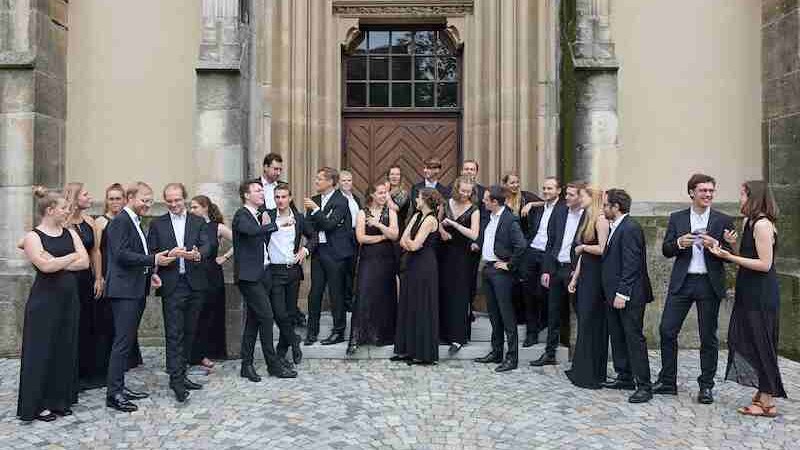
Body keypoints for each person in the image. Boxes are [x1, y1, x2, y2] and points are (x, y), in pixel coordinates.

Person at [653, 174, 735, 404]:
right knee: (667, 330)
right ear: (691, 192)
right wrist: (680, 243)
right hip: (683, 281)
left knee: (708, 337)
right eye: (703, 191)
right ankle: (668, 381)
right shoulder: (677, 218)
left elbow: (730, 256)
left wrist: (716, 245)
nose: (708, 195)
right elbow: (666, 250)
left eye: (711, 191)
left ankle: (706, 386)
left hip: (709, 283)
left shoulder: (723, 220)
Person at [709, 180, 786, 418]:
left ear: (753, 197)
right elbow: (750, 257)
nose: (739, 198)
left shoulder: (762, 224)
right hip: (748, 289)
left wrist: (729, 257)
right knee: (745, 339)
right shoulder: (748, 221)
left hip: (762, 292)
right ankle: (764, 393)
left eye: (742, 194)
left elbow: (765, 264)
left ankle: (767, 399)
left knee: (761, 342)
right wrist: (732, 246)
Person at [17, 187, 89, 422]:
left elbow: (85, 262)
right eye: (64, 208)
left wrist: (56, 260)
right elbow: (45, 267)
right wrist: (69, 258)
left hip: (69, 300)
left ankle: (60, 400)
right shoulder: (32, 237)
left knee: (64, 348)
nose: (67, 211)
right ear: (50, 210)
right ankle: (38, 405)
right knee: (42, 351)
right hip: (44, 302)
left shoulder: (70, 233)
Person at [104, 182, 172, 413]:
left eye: (150, 200)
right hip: (124, 292)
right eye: (144, 200)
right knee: (122, 343)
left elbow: (136, 255)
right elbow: (122, 255)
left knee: (127, 341)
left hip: (135, 287)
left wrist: (149, 273)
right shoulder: (121, 221)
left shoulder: (134, 221)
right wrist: (153, 261)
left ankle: (120, 387)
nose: (148, 205)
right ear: (131, 197)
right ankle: (114, 394)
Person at [147, 183, 210, 402]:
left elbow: (207, 246)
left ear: (184, 198)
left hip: (195, 283)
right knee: (174, 334)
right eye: (169, 201)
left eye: (177, 200)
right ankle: (176, 381)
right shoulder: (157, 224)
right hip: (172, 284)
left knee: (190, 332)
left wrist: (197, 254)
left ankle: (182, 374)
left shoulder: (199, 222)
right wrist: (167, 256)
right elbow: (152, 251)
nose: (174, 204)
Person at [233, 179, 297, 382]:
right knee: (267, 317)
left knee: (254, 321)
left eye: (262, 190)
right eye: (257, 190)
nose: (262, 193)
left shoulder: (258, 215)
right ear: (246, 195)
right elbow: (251, 232)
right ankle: (273, 365)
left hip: (264, 274)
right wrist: (276, 224)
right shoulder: (241, 215)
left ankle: (246, 365)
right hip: (249, 277)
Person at [600, 188, 654, 404]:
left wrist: (623, 293)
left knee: (633, 338)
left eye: (606, 205)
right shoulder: (616, 226)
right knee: (618, 336)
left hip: (629, 295)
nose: (603, 208)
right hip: (614, 294)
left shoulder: (630, 227)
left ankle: (644, 385)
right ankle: (624, 376)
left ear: (616, 207)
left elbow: (632, 264)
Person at [531, 181, 585, 367]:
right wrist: (546, 269)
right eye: (567, 194)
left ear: (580, 196)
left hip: (575, 269)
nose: (567, 198)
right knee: (553, 311)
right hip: (556, 267)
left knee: (580, 311)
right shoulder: (560, 211)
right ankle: (550, 352)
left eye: (571, 195)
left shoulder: (587, 216)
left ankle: (581, 355)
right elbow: (550, 241)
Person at [473, 185, 527, 372]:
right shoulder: (490, 217)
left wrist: (509, 265)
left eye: (486, 199)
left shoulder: (510, 220)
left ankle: (512, 357)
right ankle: (496, 352)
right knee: (494, 315)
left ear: (495, 202)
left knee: (506, 316)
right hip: (488, 269)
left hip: (501, 273)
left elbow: (521, 245)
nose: (483, 201)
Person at [94, 183, 144, 372]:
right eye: (111, 198)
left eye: (118, 198)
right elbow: (96, 251)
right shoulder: (101, 221)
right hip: (110, 271)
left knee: (125, 327)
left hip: (127, 274)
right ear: (106, 201)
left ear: (125, 199)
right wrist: (99, 276)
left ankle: (126, 362)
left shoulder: (130, 220)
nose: (114, 201)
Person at [303, 167, 355, 345]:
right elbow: (308, 225)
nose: (316, 181)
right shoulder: (315, 200)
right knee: (314, 293)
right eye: (316, 178)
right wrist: (316, 231)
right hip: (319, 251)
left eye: (319, 179)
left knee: (336, 293)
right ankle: (312, 332)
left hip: (336, 253)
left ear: (331, 182)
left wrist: (317, 211)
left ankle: (338, 331)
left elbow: (330, 225)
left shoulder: (341, 201)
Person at [565, 185, 609, 389]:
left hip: (596, 278)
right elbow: (584, 256)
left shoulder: (601, 220)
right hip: (585, 276)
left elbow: (602, 249)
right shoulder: (588, 219)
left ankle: (591, 372)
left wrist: (583, 247)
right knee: (584, 321)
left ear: (592, 197)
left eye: (582, 196)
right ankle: (581, 368)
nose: (579, 199)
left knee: (591, 322)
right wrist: (575, 278)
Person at [347, 180, 399, 355]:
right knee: (364, 292)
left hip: (386, 259)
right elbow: (361, 238)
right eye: (381, 193)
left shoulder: (391, 212)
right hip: (369, 258)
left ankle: (382, 336)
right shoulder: (363, 213)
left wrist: (378, 226)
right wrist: (381, 238)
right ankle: (357, 336)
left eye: (385, 193)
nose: (384, 195)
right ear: (372, 195)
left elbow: (394, 234)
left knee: (384, 294)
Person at [393, 187, 442, 365]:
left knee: (422, 305)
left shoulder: (430, 220)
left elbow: (414, 245)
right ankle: (407, 349)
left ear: (426, 200)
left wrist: (409, 243)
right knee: (409, 304)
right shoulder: (416, 216)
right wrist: (409, 242)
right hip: (412, 264)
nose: (416, 200)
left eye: (419, 198)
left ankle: (422, 353)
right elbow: (403, 240)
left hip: (425, 265)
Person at [63, 182, 104, 391]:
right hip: (67, 280)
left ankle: (88, 372)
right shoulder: (62, 222)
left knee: (88, 323)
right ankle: (70, 374)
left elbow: (95, 251)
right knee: (71, 324)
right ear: (75, 197)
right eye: (86, 194)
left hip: (86, 279)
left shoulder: (90, 221)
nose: (90, 198)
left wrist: (99, 277)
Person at [267, 183, 314, 365]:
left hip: (293, 271)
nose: (280, 200)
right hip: (274, 271)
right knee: (278, 313)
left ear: (290, 198)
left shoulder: (299, 218)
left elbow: (314, 237)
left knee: (289, 312)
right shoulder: (268, 216)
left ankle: (281, 351)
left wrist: (305, 250)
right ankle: (294, 340)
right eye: (277, 197)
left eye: (284, 197)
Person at [188, 195, 233, 368]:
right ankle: (194, 353)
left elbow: (240, 240)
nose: (192, 211)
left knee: (210, 314)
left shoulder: (217, 227)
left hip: (212, 275)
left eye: (195, 207)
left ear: (205, 207)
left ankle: (209, 352)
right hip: (194, 274)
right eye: (191, 208)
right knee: (196, 316)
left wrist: (225, 257)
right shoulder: (190, 226)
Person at [438, 176, 480, 353]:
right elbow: (437, 222)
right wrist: (442, 231)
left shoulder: (475, 210)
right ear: (456, 189)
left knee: (459, 295)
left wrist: (454, 224)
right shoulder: (446, 203)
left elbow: (474, 234)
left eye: (468, 192)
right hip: (444, 253)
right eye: (462, 191)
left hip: (462, 255)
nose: (465, 194)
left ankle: (458, 337)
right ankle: (443, 334)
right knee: (443, 291)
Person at [521, 177, 562, 347]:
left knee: (544, 293)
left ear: (559, 191)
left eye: (550, 188)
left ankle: (543, 325)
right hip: (532, 252)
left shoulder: (563, 209)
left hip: (549, 254)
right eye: (544, 188)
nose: (546, 191)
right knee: (528, 293)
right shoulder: (539, 208)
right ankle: (531, 333)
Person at [339, 170, 362, 314]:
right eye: (344, 181)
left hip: (355, 236)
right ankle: (343, 303)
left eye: (349, 180)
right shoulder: (337, 199)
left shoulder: (356, 199)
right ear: (339, 182)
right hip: (342, 238)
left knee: (352, 271)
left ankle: (349, 300)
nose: (347, 183)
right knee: (342, 272)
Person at [386, 165, 410, 230]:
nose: (394, 177)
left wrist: (387, 193)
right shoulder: (384, 191)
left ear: (400, 177)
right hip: (383, 228)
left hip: (397, 228)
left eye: (397, 174)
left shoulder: (403, 194)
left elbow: (394, 208)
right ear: (388, 176)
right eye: (392, 174)